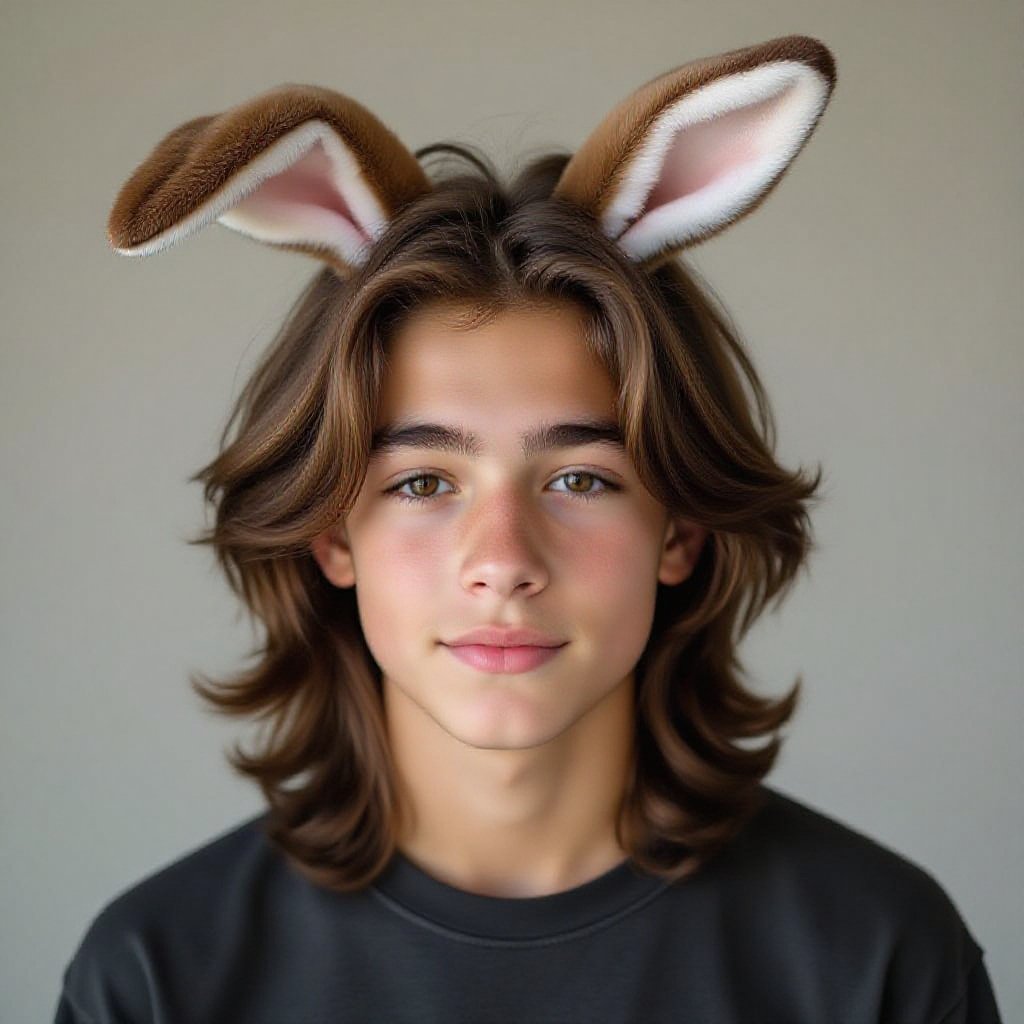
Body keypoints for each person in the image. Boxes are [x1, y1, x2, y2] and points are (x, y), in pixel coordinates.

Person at [55, 34, 1003, 1023]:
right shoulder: (156, 977)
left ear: (677, 529)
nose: (502, 561)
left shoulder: (878, 958)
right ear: (333, 535)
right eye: (423, 481)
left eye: (581, 480)